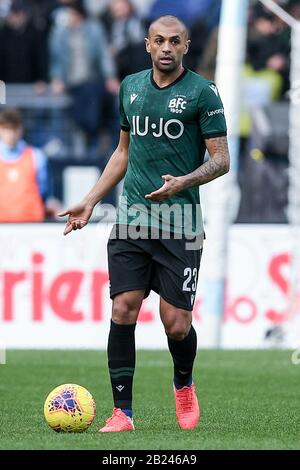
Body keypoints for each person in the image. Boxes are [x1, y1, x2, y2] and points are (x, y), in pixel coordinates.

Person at [59, 15, 230, 432]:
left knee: (176, 322)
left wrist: (184, 182)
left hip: (181, 221)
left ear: (186, 46)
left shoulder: (202, 93)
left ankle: (184, 385)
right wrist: (89, 200)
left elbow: (222, 160)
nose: (167, 47)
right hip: (133, 217)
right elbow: (123, 153)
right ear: (147, 45)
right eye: (159, 41)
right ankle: (123, 413)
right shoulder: (130, 88)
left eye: (175, 41)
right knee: (123, 309)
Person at [0, 108, 52, 222]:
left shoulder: (37, 156)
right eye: (6, 129)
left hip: (32, 224)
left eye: (14, 129)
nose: (11, 134)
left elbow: (44, 191)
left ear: (21, 130)